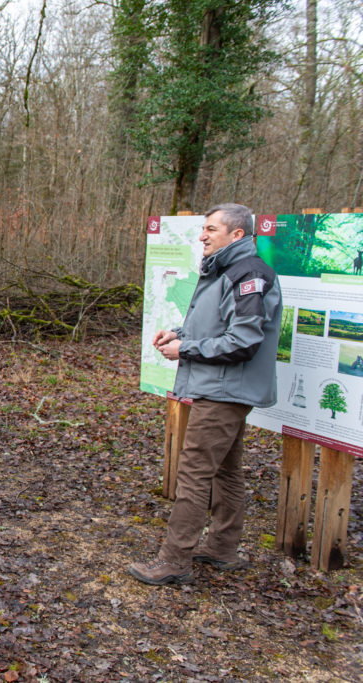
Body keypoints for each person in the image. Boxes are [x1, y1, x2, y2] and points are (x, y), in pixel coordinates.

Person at [129, 203, 282, 586]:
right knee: (226, 470)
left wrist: (188, 349)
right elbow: (219, 324)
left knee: (194, 472)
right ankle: (222, 549)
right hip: (221, 387)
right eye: (203, 229)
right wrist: (180, 335)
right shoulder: (228, 270)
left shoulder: (250, 275)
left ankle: (174, 559)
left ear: (237, 235)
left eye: (211, 229)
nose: (202, 235)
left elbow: (243, 341)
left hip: (225, 391)